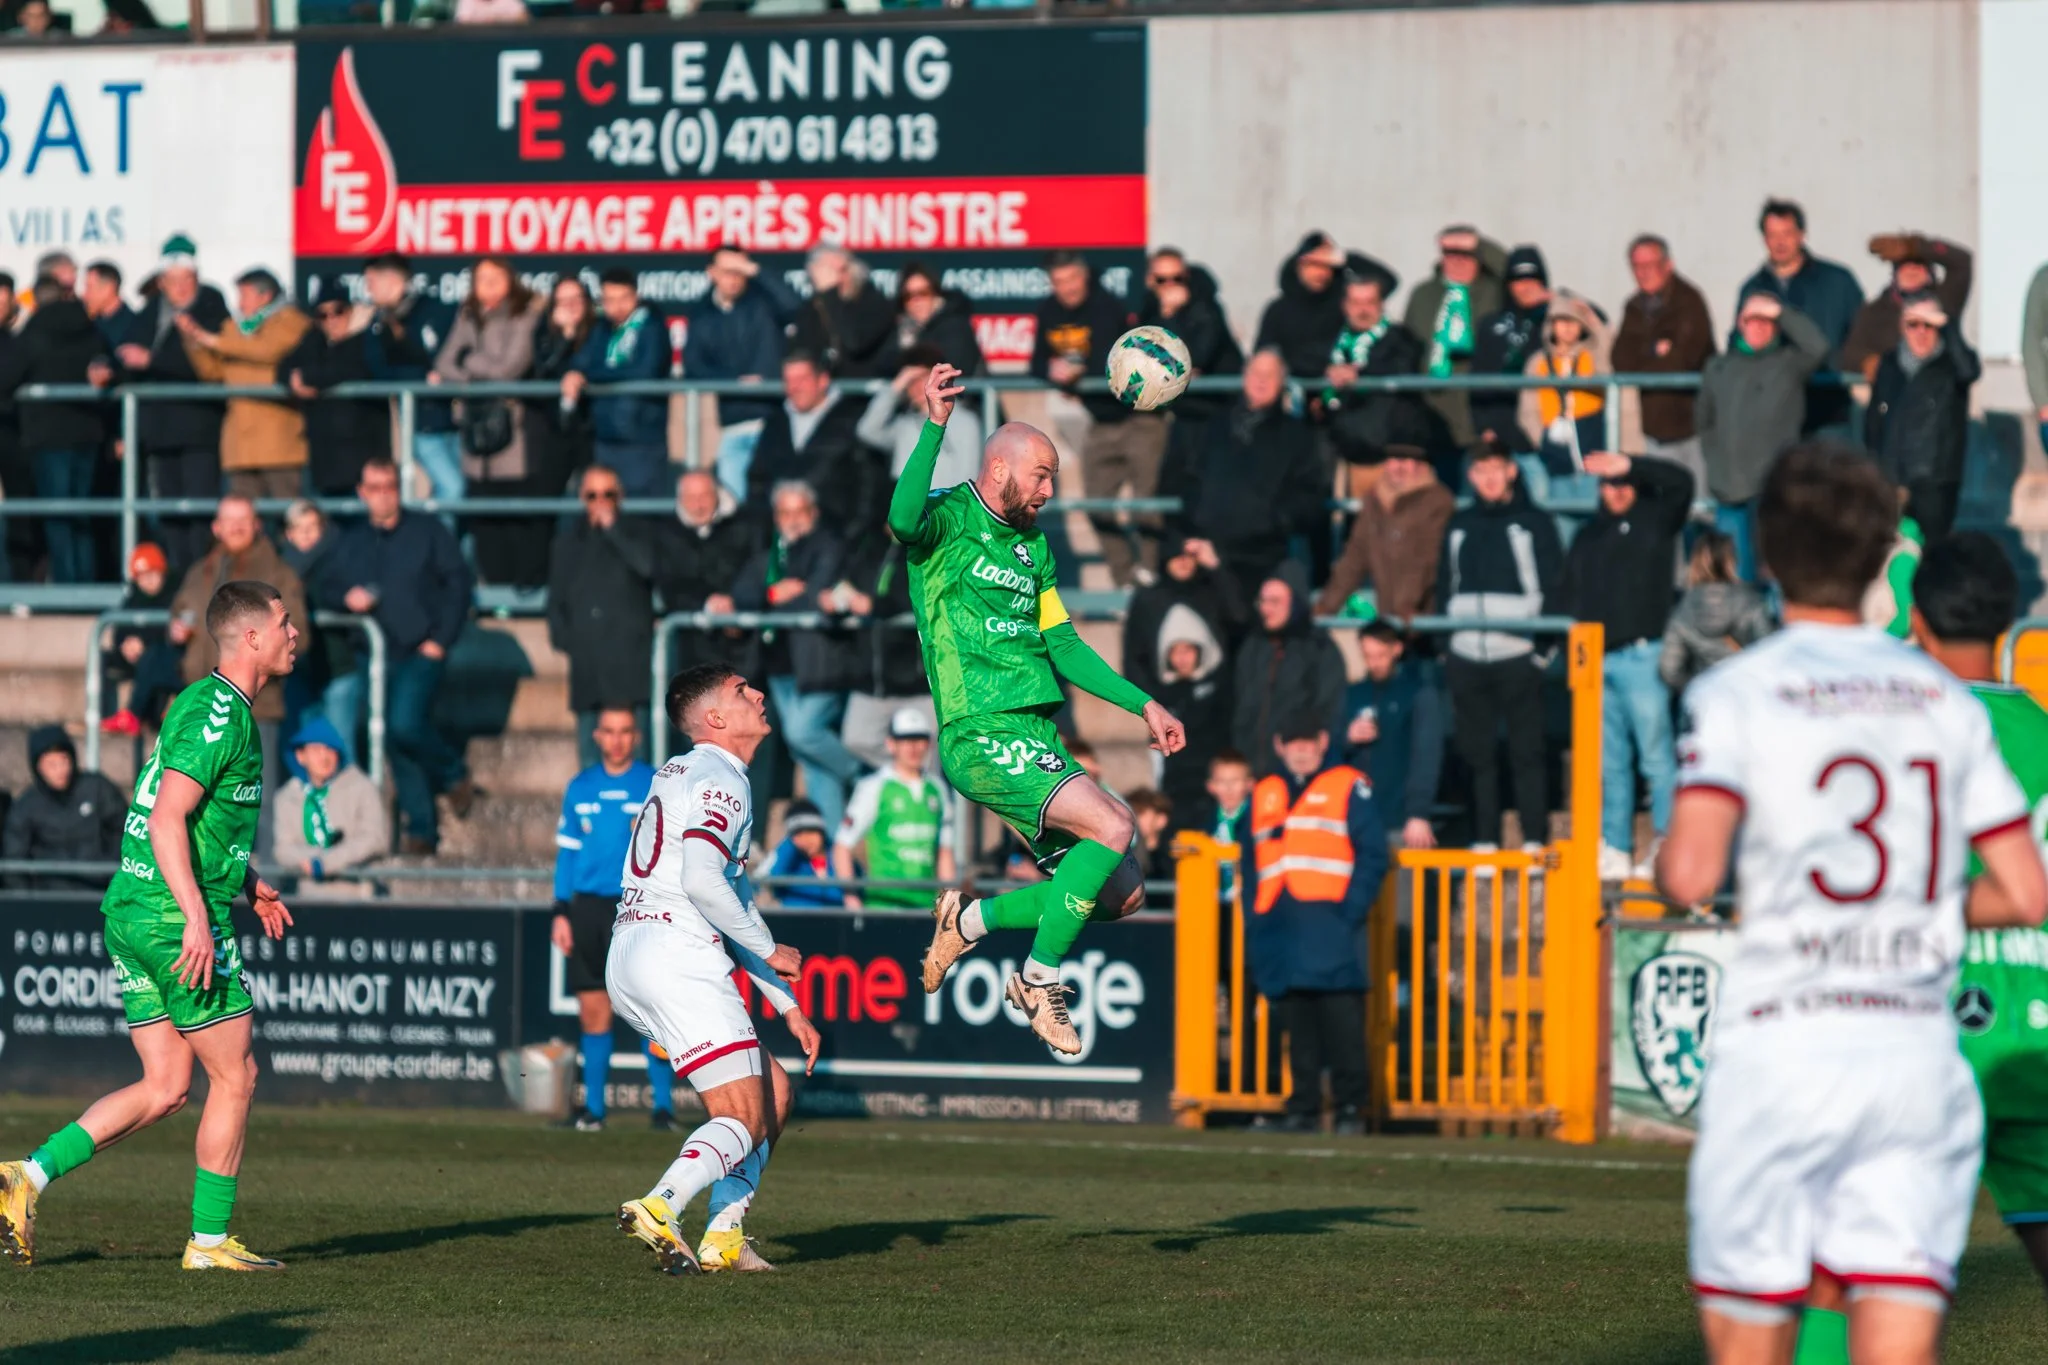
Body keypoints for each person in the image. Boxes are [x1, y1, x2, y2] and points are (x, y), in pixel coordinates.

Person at [1656, 443, 2047, 1365]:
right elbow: (2028, 889)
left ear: (1769, 556)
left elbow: (1691, 873)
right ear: (1882, 560)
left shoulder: (1739, 688)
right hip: (1910, 1056)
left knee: (1761, 1329)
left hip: (1787, 1052)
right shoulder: (1942, 700)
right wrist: (1915, 908)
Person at [0, 581, 299, 1272]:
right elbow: (166, 819)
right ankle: (209, 1243)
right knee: (237, 1075)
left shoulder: (202, 703)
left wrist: (247, 880)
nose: (295, 633)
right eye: (284, 622)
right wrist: (197, 916)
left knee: (166, 1085)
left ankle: (26, 1177)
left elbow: (193, 820)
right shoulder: (223, 716)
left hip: (133, 911)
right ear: (252, 636)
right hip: (171, 917)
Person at [899, 364, 1187, 1055]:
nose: (1049, 491)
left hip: (1034, 733)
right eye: (1041, 476)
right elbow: (901, 519)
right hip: (979, 728)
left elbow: (1064, 645)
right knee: (1115, 824)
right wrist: (934, 427)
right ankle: (1038, 978)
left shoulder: (1034, 549)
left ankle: (968, 923)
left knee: (1123, 893)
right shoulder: (947, 518)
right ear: (999, 468)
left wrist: (1144, 703)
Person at [610, 663, 823, 1275]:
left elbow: (734, 898)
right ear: (714, 718)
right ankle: (661, 1204)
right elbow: (704, 881)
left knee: (773, 1092)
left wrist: (786, 1004)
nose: (758, 693)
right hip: (675, 952)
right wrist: (773, 950)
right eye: (740, 691)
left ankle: (724, 1235)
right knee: (742, 1117)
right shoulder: (721, 777)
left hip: (636, 950)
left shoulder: (684, 772)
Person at [1906, 532, 2048, 1305]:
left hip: (1929, 1034)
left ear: (1918, 621)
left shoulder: (1909, 734)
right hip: (2036, 1036)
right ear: (2008, 620)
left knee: (1858, 1277)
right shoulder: (2044, 732)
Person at [323, 457, 476, 854]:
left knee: (404, 726)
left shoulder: (428, 531)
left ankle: (453, 773)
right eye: (374, 488)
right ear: (362, 493)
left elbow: (459, 583)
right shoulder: (351, 540)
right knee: (393, 738)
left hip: (420, 651)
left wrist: (441, 640)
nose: (383, 496)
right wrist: (345, 598)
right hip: (372, 655)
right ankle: (421, 829)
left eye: (389, 486)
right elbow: (324, 585)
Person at [1553, 452, 1695, 881]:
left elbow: (1682, 482)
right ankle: (1615, 846)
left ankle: (1667, 843)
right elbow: (1567, 596)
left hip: (1642, 656)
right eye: (1609, 484)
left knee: (1656, 758)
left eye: (1623, 484)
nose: (1615, 492)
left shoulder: (1655, 521)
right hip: (1597, 661)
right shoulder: (1587, 535)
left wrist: (1628, 463)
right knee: (1609, 764)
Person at [1247, 721, 1388, 1136]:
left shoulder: (1347, 784)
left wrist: (1350, 911)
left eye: (1308, 742)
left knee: (1343, 1023)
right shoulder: (1265, 790)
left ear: (1324, 742)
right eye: (1293, 742)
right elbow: (1250, 861)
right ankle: (1303, 1109)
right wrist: (1256, 918)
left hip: (1331, 923)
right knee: (1298, 1027)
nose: (1301, 750)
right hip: (1281, 925)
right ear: (1279, 744)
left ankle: (1350, 1109)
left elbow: (1374, 853)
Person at [1438, 444, 1563, 853]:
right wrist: (1446, 647)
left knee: (1528, 752)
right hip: (1466, 656)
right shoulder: (1459, 524)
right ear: (1470, 476)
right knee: (1477, 755)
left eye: (1496, 468)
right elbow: (1444, 584)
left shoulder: (1535, 523)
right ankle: (1484, 841)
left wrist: (1540, 651)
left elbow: (1555, 585)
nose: (1489, 478)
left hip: (1518, 655)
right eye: (1481, 470)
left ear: (1511, 471)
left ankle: (1534, 840)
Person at [550, 707, 668, 1133]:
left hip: (637, 905)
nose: (617, 740)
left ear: (636, 736)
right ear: (597, 735)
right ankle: (595, 1111)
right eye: (609, 732)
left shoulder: (655, 783)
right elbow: (567, 855)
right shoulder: (580, 786)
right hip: (587, 909)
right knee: (593, 1009)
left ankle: (663, 1108)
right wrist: (560, 911)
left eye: (625, 732)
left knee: (651, 1007)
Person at [730, 480, 862, 834]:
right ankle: (834, 840)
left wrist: (783, 598)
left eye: (799, 511)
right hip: (779, 669)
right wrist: (774, 594)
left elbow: (817, 598)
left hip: (820, 665)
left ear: (813, 513)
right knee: (810, 759)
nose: (792, 519)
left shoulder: (828, 546)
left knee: (803, 734)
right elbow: (741, 595)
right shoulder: (772, 554)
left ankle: (866, 776)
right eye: (785, 512)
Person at [1029, 250, 1155, 586]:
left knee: (1149, 505)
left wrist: (1079, 375)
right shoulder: (1048, 311)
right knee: (1096, 505)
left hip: (1141, 416)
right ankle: (1126, 578)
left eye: (1073, 279)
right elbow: (1036, 363)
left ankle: (1151, 575)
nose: (1068, 288)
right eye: (1059, 281)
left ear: (1084, 276)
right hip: (1099, 420)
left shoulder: (1106, 305)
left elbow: (1111, 358)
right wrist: (1053, 372)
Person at [1163, 350, 1326, 595]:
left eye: (1270, 375)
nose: (1261, 381)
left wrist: (1274, 521)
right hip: (1206, 552)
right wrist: (1193, 521)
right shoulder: (1213, 427)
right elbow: (1186, 480)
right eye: (1256, 373)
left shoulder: (1298, 436)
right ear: (1245, 377)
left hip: (1261, 559)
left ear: (1281, 383)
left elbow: (1311, 496)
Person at [1695, 294, 1828, 581]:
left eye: (1766, 321)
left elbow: (1818, 346)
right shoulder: (1718, 367)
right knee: (1734, 574)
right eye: (1752, 320)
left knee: (1777, 572)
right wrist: (1716, 464)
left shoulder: (1789, 363)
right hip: (1729, 491)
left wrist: (1780, 311)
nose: (1759, 327)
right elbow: (1704, 421)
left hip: (1773, 490)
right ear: (1740, 324)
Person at [118, 236, 230, 572]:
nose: (180, 288)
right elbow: (127, 348)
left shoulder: (211, 306)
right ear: (162, 281)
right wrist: (108, 366)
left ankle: (202, 577)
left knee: (199, 511)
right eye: (172, 280)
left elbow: (210, 366)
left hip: (198, 429)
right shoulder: (153, 310)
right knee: (168, 512)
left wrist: (152, 361)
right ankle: (181, 578)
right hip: (160, 431)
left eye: (187, 279)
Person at [434, 257, 545, 583]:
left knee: (514, 516)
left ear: (511, 279)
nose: (489, 284)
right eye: (482, 278)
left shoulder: (525, 313)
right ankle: (493, 589)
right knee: (483, 518)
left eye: (496, 277)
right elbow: (443, 363)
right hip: (474, 429)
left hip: (512, 432)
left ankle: (520, 590)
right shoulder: (468, 314)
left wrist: (468, 362)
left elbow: (509, 369)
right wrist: (476, 375)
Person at [0, 273, 110, 583]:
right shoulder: (90, 327)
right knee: (82, 513)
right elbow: (108, 364)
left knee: (57, 516)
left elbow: (7, 377)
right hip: (87, 432)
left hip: (48, 436)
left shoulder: (35, 331)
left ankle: (66, 588)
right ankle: (85, 586)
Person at [167, 497, 309, 736]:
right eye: (230, 520)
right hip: (202, 703)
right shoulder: (199, 572)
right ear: (216, 527)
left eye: (243, 519)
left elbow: (298, 634)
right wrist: (175, 629)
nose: (236, 527)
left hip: (257, 708)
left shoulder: (279, 573)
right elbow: (178, 613)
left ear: (257, 525)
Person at [548, 465, 659, 766]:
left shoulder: (640, 533)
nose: (600, 502)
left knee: (639, 762)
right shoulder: (567, 542)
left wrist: (613, 530)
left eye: (607, 495)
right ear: (582, 498)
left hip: (630, 663)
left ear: (620, 497)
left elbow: (648, 567)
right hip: (588, 665)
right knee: (590, 757)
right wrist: (569, 641)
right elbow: (556, 600)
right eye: (592, 495)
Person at [178, 269, 310, 505]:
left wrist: (213, 340)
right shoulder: (233, 328)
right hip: (239, 446)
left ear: (265, 296)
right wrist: (193, 340)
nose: (239, 303)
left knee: (288, 513)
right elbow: (213, 372)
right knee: (241, 516)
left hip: (279, 445)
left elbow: (267, 350)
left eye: (245, 295)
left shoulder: (291, 321)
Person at [1732, 199, 1864, 433]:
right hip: (1775, 419)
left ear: (1802, 235)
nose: (1780, 242)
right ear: (1764, 239)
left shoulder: (1837, 282)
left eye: (1787, 233)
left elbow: (1862, 334)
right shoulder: (1752, 289)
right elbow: (1738, 345)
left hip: (1830, 412)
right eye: (1773, 235)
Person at [684, 247, 801, 501]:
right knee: (734, 504)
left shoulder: (764, 301)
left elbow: (796, 307)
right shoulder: (702, 313)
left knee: (779, 503)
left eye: (740, 271)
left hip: (773, 420)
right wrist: (734, 381)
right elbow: (693, 367)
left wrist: (755, 270)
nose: (734, 278)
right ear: (712, 273)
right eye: (728, 271)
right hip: (733, 423)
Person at [1864, 293, 1979, 543]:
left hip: (1935, 481)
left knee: (1931, 553)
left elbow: (1970, 371)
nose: (1921, 332)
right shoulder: (1889, 365)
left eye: (1929, 324)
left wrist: (1948, 325)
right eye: (1913, 324)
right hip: (1893, 478)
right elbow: (1873, 423)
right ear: (1902, 326)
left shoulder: (1952, 365)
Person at [1611, 234, 1717, 485]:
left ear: (1668, 265)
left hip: (1693, 428)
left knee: (1698, 501)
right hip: (1653, 431)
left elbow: (1683, 361)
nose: (1643, 272)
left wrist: (1643, 358)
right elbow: (1620, 361)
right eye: (1637, 266)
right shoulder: (1633, 307)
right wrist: (1654, 350)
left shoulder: (1689, 301)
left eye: (1650, 265)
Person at [743, 352, 878, 542]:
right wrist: (762, 530)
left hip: (836, 538)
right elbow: (757, 478)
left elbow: (868, 481)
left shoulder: (853, 419)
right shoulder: (775, 423)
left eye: (802, 379)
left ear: (823, 380)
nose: (795, 387)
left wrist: (852, 532)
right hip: (781, 537)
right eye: (789, 380)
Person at [1315, 445, 1456, 624]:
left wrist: (1406, 606)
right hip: (1389, 616)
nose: (1398, 467)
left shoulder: (1438, 501)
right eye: (1392, 460)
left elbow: (1427, 559)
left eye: (1405, 461)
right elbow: (1353, 559)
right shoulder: (1374, 501)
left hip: (1424, 615)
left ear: (1422, 465)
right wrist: (1326, 606)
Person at [1231, 563, 1346, 780]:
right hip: (1251, 773)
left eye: (1275, 601)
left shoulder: (1319, 648)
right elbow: (1241, 710)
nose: (1266, 609)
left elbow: (1330, 711)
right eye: (1262, 601)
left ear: (1295, 603)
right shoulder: (1253, 646)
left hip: (1298, 772)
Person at [834, 708, 956, 911]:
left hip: (927, 907)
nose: (913, 747)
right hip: (884, 906)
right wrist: (851, 898)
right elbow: (842, 846)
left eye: (919, 739)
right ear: (891, 744)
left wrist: (950, 904)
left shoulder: (938, 789)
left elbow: (945, 852)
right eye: (905, 740)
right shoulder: (874, 787)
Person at [563, 268, 671, 498]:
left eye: (624, 298)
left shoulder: (652, 326)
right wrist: (575, 372)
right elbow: (581, 361)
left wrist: (593, 374)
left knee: (643, 509)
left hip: (642, 437)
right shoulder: (601, 328)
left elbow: (646, 371)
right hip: (605, 435)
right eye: (610, 300)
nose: (618, 306)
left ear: (636, 296)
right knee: (606, 507)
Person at [362, 252, 459, 504]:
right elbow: (377, 371)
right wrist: (422, 376)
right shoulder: (378, 323)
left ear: (394, 280)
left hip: (458, 417)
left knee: (464, 492)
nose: (368, 289)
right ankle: (435, 532)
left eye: (372, 281)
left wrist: (439, 372)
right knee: (453, 490)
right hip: (421, 422)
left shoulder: (436, 311)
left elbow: (448, 357)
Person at [1340, 622, 1446, 851]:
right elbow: (1328, 750)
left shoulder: (1418, 694)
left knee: (1402, 875)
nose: (1374, 663)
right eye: (1367, 656)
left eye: (1380, 655)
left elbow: (1426, 757)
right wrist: (1347, 737)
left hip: (1400, 821)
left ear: (1397, 649)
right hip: (1354, 820)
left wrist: (1418, 813)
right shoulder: (1352, 694)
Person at [1403, 226, 1507, 454]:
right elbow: (1407, 346)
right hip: (1433, 408)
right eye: (1450, 253)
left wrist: (1481, 244)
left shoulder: (1492, 292)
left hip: (1479, 409)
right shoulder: (1424, 294)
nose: (1458, 261)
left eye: (1466, 254)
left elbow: (1513, 273)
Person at [283, 295, 388, 496]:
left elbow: (355, 368)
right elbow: (284, 368)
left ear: (351, 311)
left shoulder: (370, 336)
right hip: (325, 457)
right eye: (323, 315)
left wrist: (306, 377)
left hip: (364, 455)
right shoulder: (315, 338)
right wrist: (293, 379)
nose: (331, 319)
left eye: (338, 311)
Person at [270, 716, 387, 896]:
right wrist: (313, 859)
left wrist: (328, 862)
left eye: (330, 749)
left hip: (357, 895)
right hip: (308, 896)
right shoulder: (287, 797)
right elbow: (282, 850)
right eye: (316, 750)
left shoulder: (362, 787)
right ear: (300, 756)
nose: (324, 757)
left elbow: (375, 840)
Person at [1123, 531, 1247, 699]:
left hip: (1215, 699)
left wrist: (1215, 566)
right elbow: (1134, 657)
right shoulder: (1148, 600)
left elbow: (1239, 617)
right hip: (1163, 700)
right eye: (1176, 556)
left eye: (1189, 556)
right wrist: (1150, 702)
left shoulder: (1210, 593)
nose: (1183, 561)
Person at [1, 726, 125, 890]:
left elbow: (123, 830)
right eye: (51, 764)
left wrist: (111, 877)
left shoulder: (97, 789)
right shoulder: (27, 806)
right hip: (49, 897)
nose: (60, 770)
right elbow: (14, 858)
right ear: (38, 766)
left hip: (99, 891)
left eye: (64, 760)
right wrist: (28, 899)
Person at [655, 469, 754, 672]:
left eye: (704, 496)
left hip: (742, 646)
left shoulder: (745, 527)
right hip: (691, 649)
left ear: (717, 494)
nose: (698, 506)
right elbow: (669, 585)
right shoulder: (667, 534)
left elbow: (755, 573)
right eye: (690, 498)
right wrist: (708, 603)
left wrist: (735, 604)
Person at [1842, 232, 1972, 382]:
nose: (1912, 270)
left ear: (1930, 273)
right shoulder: (1874, 312)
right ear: (1895, 273)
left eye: (1918, 265)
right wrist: (1867, 363)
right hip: (1894, 389)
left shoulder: (1945, 302)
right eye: (1904, 265)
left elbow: (1962, 261)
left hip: (1941, 386)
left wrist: (1914, 246)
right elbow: (1849, 354)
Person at [1658, 530, 1773, 698]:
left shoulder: (1682, 609)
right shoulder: (1751, 601)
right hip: (1747, 694)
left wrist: (1697, 686)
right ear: (1731, 562)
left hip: (1706, 697)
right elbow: (1771, 650)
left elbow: (1669, 669)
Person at [855, 346, 984, 495]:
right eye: (910, 381)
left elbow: (968, 479)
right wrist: (895, 387)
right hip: (907, 508)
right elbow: (867, 431)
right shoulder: (905, 424)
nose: (915, 386)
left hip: (946, 507)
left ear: (940, 379)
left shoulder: (965, 422)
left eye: (922, 377)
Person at [1516, 291, 1612, 489]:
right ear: (1551, 325)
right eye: (1561, 320)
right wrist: (1541, 439)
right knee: (1559, 499)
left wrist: (1595, 322)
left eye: (1574, 321)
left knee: (1592, 496)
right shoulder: (1538, 362)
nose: (1567, 327)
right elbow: (1527, 408)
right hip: (1554, 445)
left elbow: (1609, 360)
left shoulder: (1592, 355)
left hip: (1591, 440)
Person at [1149, 604, 1234, 824]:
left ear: (1201, 650)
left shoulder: (1220, 689)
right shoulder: (1162, 696)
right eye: (1175, 651)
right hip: (1174, 787)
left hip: (1211, 787)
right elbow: (1156, 747)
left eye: (1188, 650)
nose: (1182, 658)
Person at [1471, 246, 1553, 458]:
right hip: (1502, 435)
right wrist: (1483, 425)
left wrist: (1558, 300)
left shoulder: (1557, 321)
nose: (1526, 287)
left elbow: (1595, 322)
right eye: (1518, 280)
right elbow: (1478, 376)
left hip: (1545, 430)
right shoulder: (1491, 324)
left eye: (1533, 280)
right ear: (1508, 285)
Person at [102, 542, 183, 736]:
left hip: (164, 656)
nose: (148, 581)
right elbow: (120, 629)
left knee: (153, 656)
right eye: (142, 576)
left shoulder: (174, 595)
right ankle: (104, 714)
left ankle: (135, 714)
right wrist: (125, 645)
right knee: (103, 658)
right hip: (136, 656)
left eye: (153, 574)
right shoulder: (133, 598)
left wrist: (143, 643)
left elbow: (169, 631)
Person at [527, 277, 597, 496]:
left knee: (591, 493)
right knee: (547, 496)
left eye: (576, 298)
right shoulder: (543, 333)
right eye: (563, 301)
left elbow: (593, 367)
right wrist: (566, 336)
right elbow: (543, 371)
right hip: (552, 428)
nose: (571, 305)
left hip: (590, 427)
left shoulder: (599, 330)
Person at [1253, 233, 1350, 379]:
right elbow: (1264, 356)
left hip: (1335, 390)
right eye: (1314, 264)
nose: (1321, 273)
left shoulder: (1344, 309)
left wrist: (1344, 257)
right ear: (1299, 266)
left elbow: (1382, 280)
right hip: (1289, 388)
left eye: (1327, 266)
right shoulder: (1279, 310)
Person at [791, 244, 894, 380]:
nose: (836, 280)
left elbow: (855, 342)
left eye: (842, 270)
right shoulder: (810, 309)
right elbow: (802, 355)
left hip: (862, 388)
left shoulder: (875, 302)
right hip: (823, 389)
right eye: (829, 273)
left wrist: (830, 295)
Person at [878, 262, 984, 377]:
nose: (916, 301)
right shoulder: (900, 331)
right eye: (908, 296)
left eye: (923, 293)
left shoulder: (955, 326)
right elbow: (883, 369)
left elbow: (958, 371)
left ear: (936, 294)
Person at [765, 800, 843, 908]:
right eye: (798, 834)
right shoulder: (790, 862)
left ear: (822, 832)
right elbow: (774, 879)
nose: (805, 840)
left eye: (810, 832)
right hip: (797, 918)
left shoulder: (839, 858)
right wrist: (789, 844)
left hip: (837, 917)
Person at [1126, 787, 1177, 884]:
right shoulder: (1125, 855)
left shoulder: (1171, 862)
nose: (1133, 817)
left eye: (1140, 812)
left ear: (1161, 819)